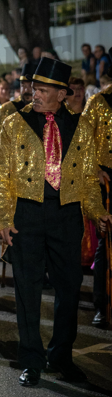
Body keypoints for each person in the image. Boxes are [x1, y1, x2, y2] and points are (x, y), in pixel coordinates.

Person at [0, 58, 110, 387]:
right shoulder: (14, 123)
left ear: (61, 93)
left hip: (66, 214)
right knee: (27, 291)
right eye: (34, 88)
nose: (35, 94)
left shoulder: (80, 126)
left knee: (69, 289)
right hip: (25, 214)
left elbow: (87, 178)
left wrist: (97, 210)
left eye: (42, 90)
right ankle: (31, 359)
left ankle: (61, 356)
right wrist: (1, 215)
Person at [83, 73, 112, 327]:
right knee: (107, 239)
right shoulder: (98, 102)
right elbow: (84, 141)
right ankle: (102, 303)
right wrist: (96, 169)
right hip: (106, 179)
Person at [0, 62, 37, 154]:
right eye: (23, 85)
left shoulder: (45, 108)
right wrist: (5, 162)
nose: (26, 90)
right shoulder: (8, 108)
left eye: (30, 86)